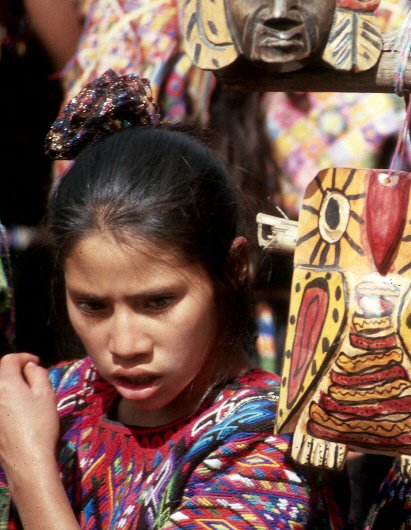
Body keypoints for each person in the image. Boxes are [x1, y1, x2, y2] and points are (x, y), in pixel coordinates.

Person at [0, 71, 341, 529]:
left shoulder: (271, 446)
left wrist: (28, 469)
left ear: (233, 265)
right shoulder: (47, 404)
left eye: (157, 302)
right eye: (92, 306)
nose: (124, 344)